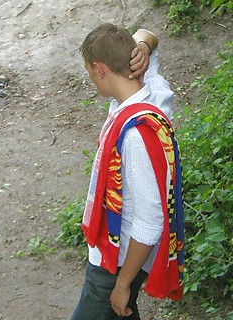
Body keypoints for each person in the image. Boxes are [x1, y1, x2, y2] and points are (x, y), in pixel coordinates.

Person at [70, 23, 184, 320]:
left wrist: (121, 283)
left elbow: (150, 223)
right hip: (119, 257)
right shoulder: (154, 94)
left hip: (115, 261)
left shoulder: (135, 136)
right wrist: (144, 46)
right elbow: (148, 35)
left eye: (89, 72)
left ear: (99, 69)